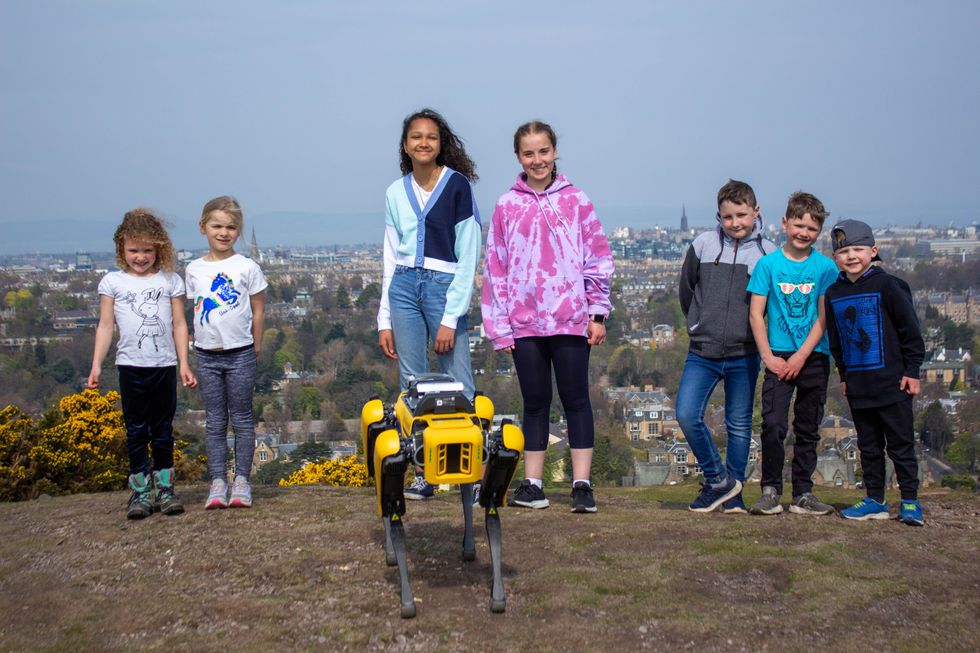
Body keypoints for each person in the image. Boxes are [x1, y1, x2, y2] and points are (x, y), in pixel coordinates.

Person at [482, 120, 613, 514]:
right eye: (528, 153)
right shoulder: (507, 205)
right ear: (518, 157)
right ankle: (533, 484)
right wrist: (499, 327)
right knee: (534, 402)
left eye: (543, 151)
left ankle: (582, 486)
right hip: (524, 324)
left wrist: (598, 313)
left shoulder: (577, 201)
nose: (537, 160)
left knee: (576, 400)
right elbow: (495, 267)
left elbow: (598, 259)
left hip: (570, 318)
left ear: (555, 151)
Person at [377, 108, 481, 500]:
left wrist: (451, 317)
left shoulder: (457, 187)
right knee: (411, 384)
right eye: (416, 136)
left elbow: (468, 254)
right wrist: (384, 319)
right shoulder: (393, 192)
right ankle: (425, 473)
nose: (423, 142)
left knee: (458, 378)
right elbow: (389, 255)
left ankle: (468, 474)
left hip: (443, 287)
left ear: (442, 144)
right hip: (403, 286)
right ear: (405, 144)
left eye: (431, 137)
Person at [88, 208, 197, 519]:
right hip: (130, 366)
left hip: (163, 366)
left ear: (159, 248)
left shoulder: (170, 281)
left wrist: (184, 363)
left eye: (147, 250)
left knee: (163, 430)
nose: (140, 257)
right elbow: (105, 325)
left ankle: (165, 489)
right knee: (136, 431)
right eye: (133, 250)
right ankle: (140, 491)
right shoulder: (113, 282)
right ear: (121, 248)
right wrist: (97, 364)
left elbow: (179, 324)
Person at [677, 179, 777, 513]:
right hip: (702, 352)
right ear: (718, 216)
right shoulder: (703, 244)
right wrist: (697, 323)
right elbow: (686, 288)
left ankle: (733, 497)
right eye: (727, 216)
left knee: (739, 426)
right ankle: (718, 479)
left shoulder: (768, 254)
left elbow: (770, 305)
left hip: (743, 354)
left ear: (756, 212)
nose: (735, 223)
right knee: (687, 413)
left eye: (741, 215)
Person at [825, 220, 925, 526]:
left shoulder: (889, 286)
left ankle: (909, 501)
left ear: (874, 251)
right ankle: (875, 500)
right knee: (868, 446)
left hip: (893, 382)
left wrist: (912, 370)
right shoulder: (833, 294)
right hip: (858, 385)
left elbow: (911, 332)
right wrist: (843, 375)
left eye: (858, 249)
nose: (851, 256)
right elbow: (837, 340)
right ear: (835, 257)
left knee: (901, 444)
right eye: (844, 251)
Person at [747, 192, 839, 516]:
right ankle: (770, 490)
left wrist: (801, 356)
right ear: (785, 223)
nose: (804, 233)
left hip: (813, 355)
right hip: (776, 354)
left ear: (820, 232)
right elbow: (756, 315)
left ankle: (803, 492)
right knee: (772, 424)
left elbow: (824, 317)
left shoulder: (826, 269)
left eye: (812, 229)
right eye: (799, 225)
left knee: (808, 427)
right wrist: (768, 357)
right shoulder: (767, 265)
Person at [186, 196, 267, 509]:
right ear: (203, 227)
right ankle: (218, 480)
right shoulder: (193, 269)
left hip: (241, 352)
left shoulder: (247, 266)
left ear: (239, 231)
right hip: (206, 355)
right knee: (215, 421)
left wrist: (256, 345)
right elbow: (194, 311)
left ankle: (243, 481)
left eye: (231, 227)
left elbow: (258, 311)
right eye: (217, 225)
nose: (223, 232)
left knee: (243, 419)